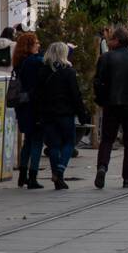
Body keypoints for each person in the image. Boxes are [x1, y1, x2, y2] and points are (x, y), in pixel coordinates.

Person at [93, 25, 128, 190]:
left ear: (117, 40)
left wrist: (102, 100)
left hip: (111, 105)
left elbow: (98, 82)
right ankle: (127, 178)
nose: (109, 41)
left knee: (107, 139)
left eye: (111, 39)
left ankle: (102, 167)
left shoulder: (105, 58)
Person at [36, 42, 91, 190]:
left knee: (53, 145)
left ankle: (56, 174)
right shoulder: (69, 71)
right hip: (65, 113)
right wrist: (82, 114)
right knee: (69, 142)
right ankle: (59, 172)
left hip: (48, 114)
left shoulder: (42, 71)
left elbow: (38, 94)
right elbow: (75, 95)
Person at [11, 33, 45, 188]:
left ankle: (22, 175)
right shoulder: (35, 62)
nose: (38, 45)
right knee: (37, 141)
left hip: (23, 105)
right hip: (35, 106)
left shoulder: (19, 62)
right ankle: (32, 176)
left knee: (28, 141)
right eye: (36, 43)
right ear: (29, 45)